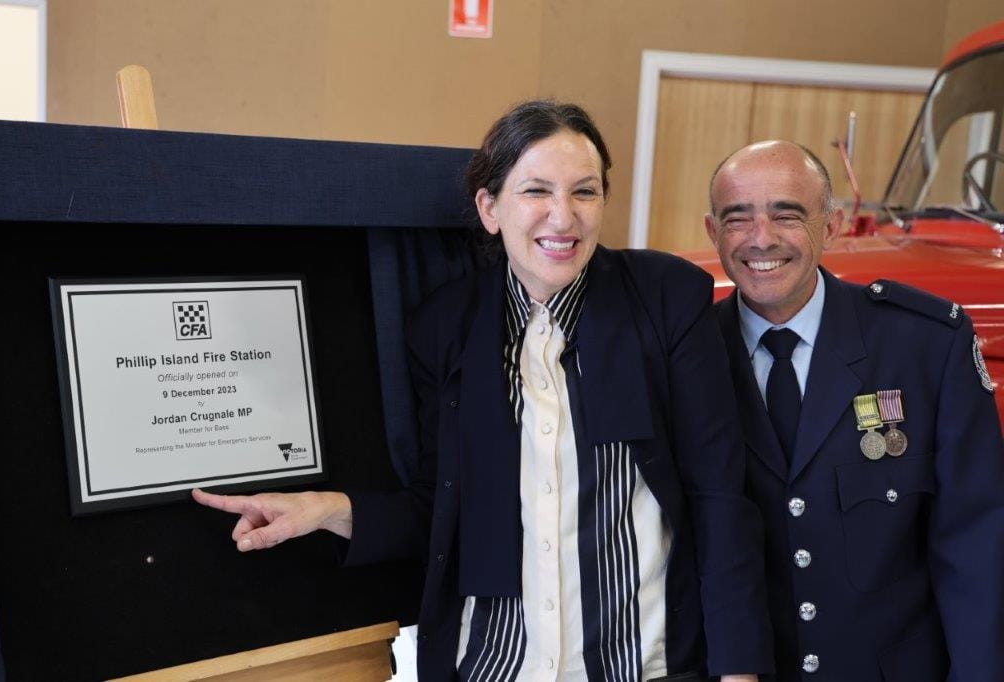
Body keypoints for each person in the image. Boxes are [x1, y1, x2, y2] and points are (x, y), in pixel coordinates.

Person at [194, 101, 772, 681]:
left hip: (641, 666)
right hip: (495, 665)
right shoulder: (444, 327)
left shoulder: (666, 298)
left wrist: (738, 672)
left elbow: (719, 499)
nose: (562, 217)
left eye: (585, 192)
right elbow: (438, 509)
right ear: (489, 208)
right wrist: (322, 509)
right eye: (535, 192)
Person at [704, 140, 1004, 681]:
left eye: (787, 215)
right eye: (737, 218)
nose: (761, 238)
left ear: (832, 224)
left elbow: (975, 548)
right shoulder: (688, 355)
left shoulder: (924, 346)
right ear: (712, 232)